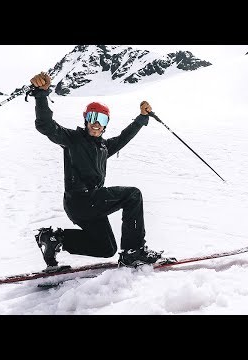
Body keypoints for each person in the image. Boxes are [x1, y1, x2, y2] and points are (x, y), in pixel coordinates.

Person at [28, 71, 164, 269]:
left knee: (106, 248)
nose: (97, 123)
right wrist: (41, 94)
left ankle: (54, 239)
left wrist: (142, 118)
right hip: (81, 200)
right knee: (133, 195)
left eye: (102, 119)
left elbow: (124, 137)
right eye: (93, 117)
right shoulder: (73, 139)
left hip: (90, 205)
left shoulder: (104, 147)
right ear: (86, 119)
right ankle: (133, 252)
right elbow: (46, 126)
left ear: (106, 124)